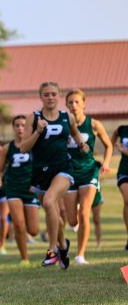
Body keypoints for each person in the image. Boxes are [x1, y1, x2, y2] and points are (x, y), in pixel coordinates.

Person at [20, 81, 89, 269]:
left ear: (58, 96)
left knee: (50, 202)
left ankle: (52, 251)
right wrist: (37, 132)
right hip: (40, 172)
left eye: (53, 94)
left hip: (63, 169)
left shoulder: (68, 117)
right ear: (41, 97)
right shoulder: (33, 118)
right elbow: (23, 147)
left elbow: (76, 135)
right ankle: (63, 245)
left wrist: (83, 146)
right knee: (54, 215)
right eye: (46, 94)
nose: (50, 97)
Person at [62, 89, 112, 264]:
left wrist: (105, 163)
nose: (74, 105)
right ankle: (74, 219)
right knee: (72, 219)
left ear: (84, 103)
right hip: (69, 173)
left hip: (89, 172)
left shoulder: (94, 124)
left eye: (77, 102)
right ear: (66, 105)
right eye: (70, 102)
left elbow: (109, 146)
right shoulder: (63, 124)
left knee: (84, 214)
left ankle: (80, 255)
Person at [0, 115, 40, 265]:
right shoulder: (8, 148)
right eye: (17, 125)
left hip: (31, 190)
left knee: (33, 230)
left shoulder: (35, 145)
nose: (20, 128)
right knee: (19, 224)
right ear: (13, 128)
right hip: (13, 189)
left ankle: (28, 233)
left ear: (29, 128)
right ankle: (25, 259)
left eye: (23, 125)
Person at [112, 124, 128, 250]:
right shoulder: (122, 129)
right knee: (127, 200)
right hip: (124, 171)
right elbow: (115, 134)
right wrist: (110, 146)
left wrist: (123, 150)